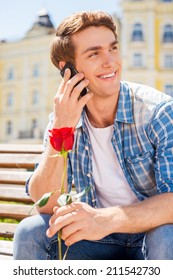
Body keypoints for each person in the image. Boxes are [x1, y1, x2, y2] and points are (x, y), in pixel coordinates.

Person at [14, 10, 173, 260]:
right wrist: (61, 129)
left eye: (113, 48)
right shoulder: (63, 116)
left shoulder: (157, 112)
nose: (110, 61)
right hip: (96, 239)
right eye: (95, 53)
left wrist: (104, 219)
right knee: (32, 232)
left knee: (168, 235)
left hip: (150, 236)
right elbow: (45, 203)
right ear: (68, 70)